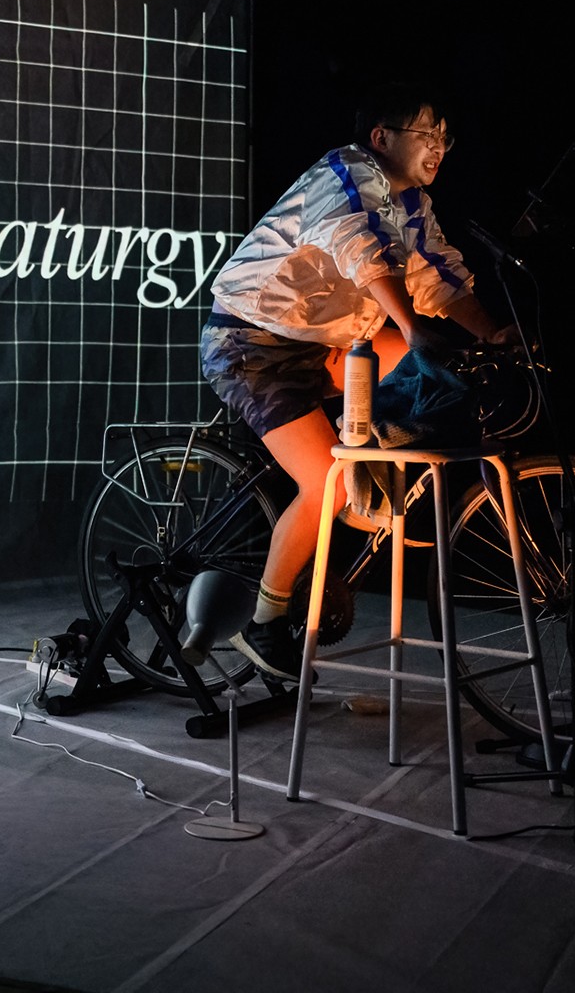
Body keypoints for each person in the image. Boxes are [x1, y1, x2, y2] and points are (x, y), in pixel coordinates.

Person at [200, 86, 515, 681]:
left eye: (445, 138)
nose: (438, 147)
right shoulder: (346, 172)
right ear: (381, 137)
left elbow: (439, 272)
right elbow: (359, 244)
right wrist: (413, 328)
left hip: (324, 344)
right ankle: (263, 624)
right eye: (427, 134)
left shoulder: (412, 202)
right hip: (253, 343)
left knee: (432, 371)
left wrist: (493, 332)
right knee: (323, 481)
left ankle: (368, 480)